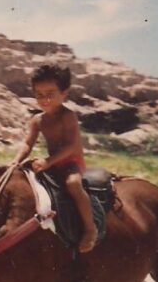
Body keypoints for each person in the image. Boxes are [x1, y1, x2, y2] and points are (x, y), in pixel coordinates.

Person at [12, 64, 98, 253]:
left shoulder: (68, 116)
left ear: (64, 93)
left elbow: (72, 146)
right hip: (51, 163)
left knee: (73, 184)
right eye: (39, 95)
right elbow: (27, 144)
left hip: (71, 162)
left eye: (50, 94)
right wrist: (16, 160)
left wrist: (48, 162)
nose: (45, 99)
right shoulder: (37, 120)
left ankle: (90, 229)